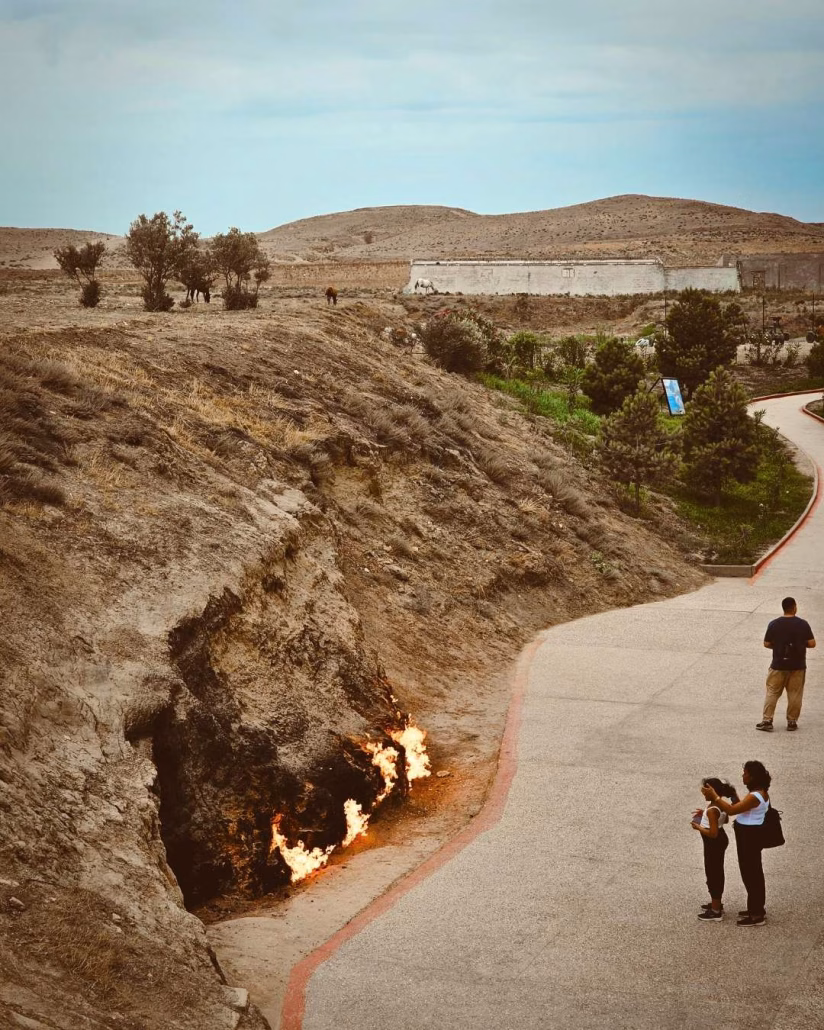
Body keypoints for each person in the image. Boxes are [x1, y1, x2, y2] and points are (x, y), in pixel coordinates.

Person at [702, 761, 771, 926]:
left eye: (745, 773)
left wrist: (715, 797)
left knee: (751, 874)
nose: (743, 776)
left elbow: (732, 810)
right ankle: (756, 908)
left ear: (752, 776)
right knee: (751, 873)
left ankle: (756, 915)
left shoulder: (755, 795)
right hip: (748, 836)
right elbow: (740, 807)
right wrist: (732, 795)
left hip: (750, 838)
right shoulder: (757, 793)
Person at [758, 596, 816, 732]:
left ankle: (767, 720)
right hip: (798, 665)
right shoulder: (803, 624)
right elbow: (812, 643)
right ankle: (791, 721)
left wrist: (778, 647)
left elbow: (766, 643)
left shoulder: (774, 624)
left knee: (772, 692)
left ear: (783, 608)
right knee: (795, 694)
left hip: (778, 664)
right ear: (795, 607)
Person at [692, 777, 739, 921]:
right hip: (720, 840)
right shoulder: (719, 805)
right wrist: (705, 815)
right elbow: (724, 819)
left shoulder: (713, 809)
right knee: (715, 870)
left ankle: (716, 910)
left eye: (705, 789)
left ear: (712, 791)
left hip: (713, 843)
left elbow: (713, 833)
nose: (702, 792)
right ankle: (715, 902)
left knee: (713, 873)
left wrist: (698, 826)